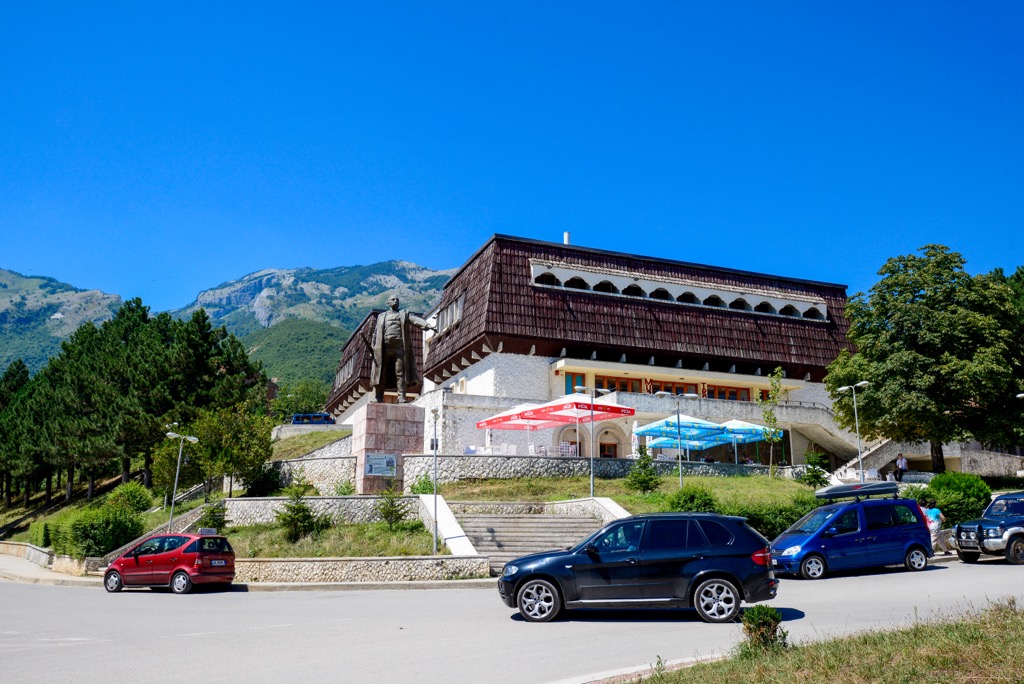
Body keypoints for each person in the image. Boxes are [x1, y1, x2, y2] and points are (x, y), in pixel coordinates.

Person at [370, 295, 436, 403]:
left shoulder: (403, 314)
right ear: (388, 303)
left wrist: (428, 325)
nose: (395, 301)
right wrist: (373, 346)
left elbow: (415, 320)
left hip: (399, 348)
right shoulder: (381, 316)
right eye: (393, 299)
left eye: (397, 299)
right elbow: (376, 333)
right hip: (384, 349)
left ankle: (401, 397)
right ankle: (379, 397)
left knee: (400, 373)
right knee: (382, 372)